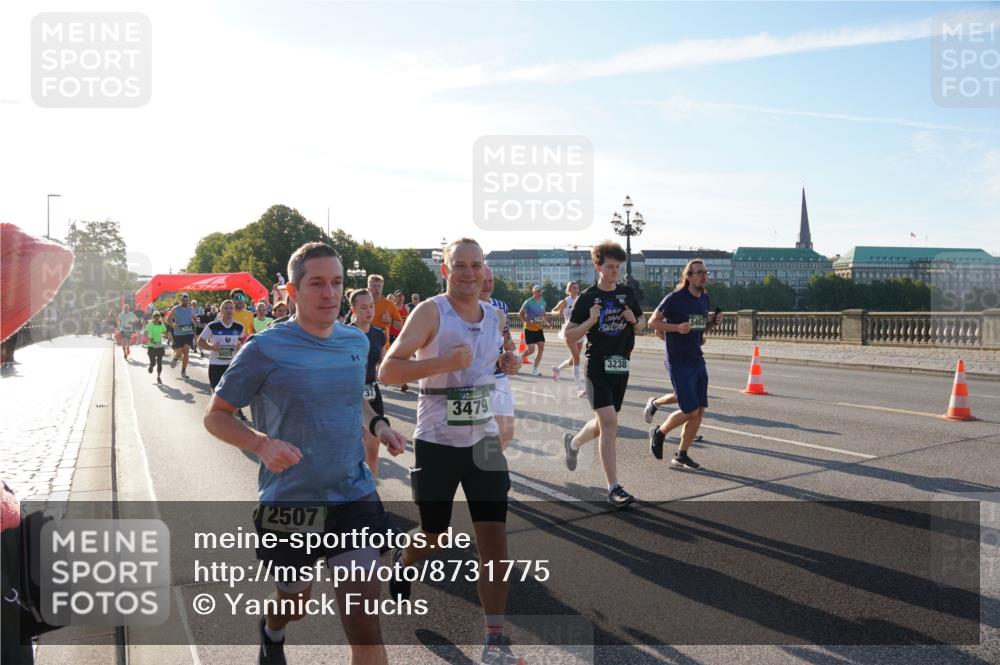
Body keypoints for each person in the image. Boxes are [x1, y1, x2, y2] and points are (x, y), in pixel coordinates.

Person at [204, 242, 406, 665]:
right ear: (293, 293)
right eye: (317, 283)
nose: (330, 293)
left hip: (353, 494)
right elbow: (216, 416)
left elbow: (356, 402)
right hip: (291, 503)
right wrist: (261, 444)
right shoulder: (263, 348)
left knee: (365, 625)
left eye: (336, 283)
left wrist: (379, 425)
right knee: (294, 602)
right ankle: (272, 629)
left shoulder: (354, 342)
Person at [379, 238, 525, 665]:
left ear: (484, 272)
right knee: (434, 536)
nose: (468, 273)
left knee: (495, 547)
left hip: (483, 443)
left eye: (475, 266)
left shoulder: (496, 316)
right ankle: (406, 560)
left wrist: (507, 365)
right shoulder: (431, 312)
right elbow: (388, 370)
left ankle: (494, 641)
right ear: (446, 270)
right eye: (459, 266)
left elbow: (494, 364)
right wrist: (439, 365)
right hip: (438, 442)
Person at [562, 241, 645, 508]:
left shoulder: (627, 293)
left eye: (617, 268)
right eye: (609, 267)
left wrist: (634, 320)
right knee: (610, 423)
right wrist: (590, 321)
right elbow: (569, 335)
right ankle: (614, 487)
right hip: (597, 365)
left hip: (621, 365)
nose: (614, 273)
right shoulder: (587, 298)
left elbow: (642, 325)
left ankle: (573, 443)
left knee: (603, 423)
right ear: (597, 266)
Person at [647, 259, 722, 469]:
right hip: (678, 360)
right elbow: (653, 322)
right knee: (689, 410)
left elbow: (698, 329)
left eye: (705, 272)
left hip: (697, 358)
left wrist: (711, 324)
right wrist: (676, 328)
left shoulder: (704, 299)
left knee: (699, 409)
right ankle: (659, 432)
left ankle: (682, 454)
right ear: (688, 276)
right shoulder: (675, 298)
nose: (703, 276)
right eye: (698, 272)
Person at [348, 288, 388, 478]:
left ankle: (370, 496)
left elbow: (382, 358)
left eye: (371, 306)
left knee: (372, 450)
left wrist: (381, 366)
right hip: (349, 396)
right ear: (353, 309)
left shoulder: (379, 334)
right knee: (350, 452)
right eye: (363, 307)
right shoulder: (344, 334)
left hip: (372, 392)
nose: (369, 311)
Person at [482, 265, 517, 449]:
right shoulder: (462, 309)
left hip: (498, 375)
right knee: (477, 434)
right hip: (474, 379)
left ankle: (491, 468)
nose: (488, 286)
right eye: (484, 282)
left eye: (491, 281)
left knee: (506, 431)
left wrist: (510, 350)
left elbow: (506, 338)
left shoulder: (501, 307)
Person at [197, 299, 245, 393]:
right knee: (216, 393)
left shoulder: (239, 327)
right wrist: (212, 347)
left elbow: (244, 341)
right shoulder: (213, 326)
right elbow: (200, 341)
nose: (229, 310)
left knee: (232, 394)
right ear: (221, 310)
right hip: (216, 364)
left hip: (232, 365)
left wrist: (241, 347)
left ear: (234, 310)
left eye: (231, 308)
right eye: (226, 308)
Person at [366, 275, 404, 391]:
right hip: (364, 344)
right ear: (368, 287)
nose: (376, 289)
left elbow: (400, 326)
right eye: (374, 286)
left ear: (382, 287)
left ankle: (372, 399)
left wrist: (390, 320)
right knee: (367, 377)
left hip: (381, 347)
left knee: (376, 377)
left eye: (379, 286)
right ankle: (369, 400)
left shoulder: (389, 305)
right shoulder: (363, 303)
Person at [550, 281, 585, 396]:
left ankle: (557, 369)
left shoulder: (581, 299)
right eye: (574, 288)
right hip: (569, 331)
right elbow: (553, 311)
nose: (576, 290)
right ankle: (579, 388)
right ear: (569, 290)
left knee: (572, 360)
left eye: (577, 288)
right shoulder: (565, 301)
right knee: (577, 359)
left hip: (580, 330)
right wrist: (558, 312)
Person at [518, 285, 547, 376]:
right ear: (533, 292)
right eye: (538, 291)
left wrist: (547, 321)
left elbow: (543, 313)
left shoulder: (543, 302)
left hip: (538, 328)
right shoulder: (528, 302)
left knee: (541, 346)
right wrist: (528, 321)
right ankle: (518, 359)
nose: (540, 293)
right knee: (531, 350)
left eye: (541, 291)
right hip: (529, 329)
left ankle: (535, 369)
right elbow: (520, 314)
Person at [166, 293, 197, 378]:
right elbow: (167, 319)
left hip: (188, 333)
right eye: (183, 300)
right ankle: (176, 358)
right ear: (181, 300)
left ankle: (183, 371)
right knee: (179, 353)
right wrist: (173, 325)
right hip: (178, 333)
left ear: (188, 300)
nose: (185, 302)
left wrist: (195, 321)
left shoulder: (191, 309)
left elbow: (194, 318)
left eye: (186, 300)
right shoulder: (176, 309)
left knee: (186, 351)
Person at [145, 311, 168, 383]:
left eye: (158, 316)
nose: (156, 318)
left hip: (159, 345)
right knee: (153, 362)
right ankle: (151, 366)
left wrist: (166, 335)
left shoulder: (161, 324)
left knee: (159, 363)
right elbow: (145, 332)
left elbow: (165, 331)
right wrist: (149, 339)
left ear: (159, 317)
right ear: (153, 317)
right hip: (151, 345)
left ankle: (158, 377)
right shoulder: (150, 324)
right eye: (155, 316)